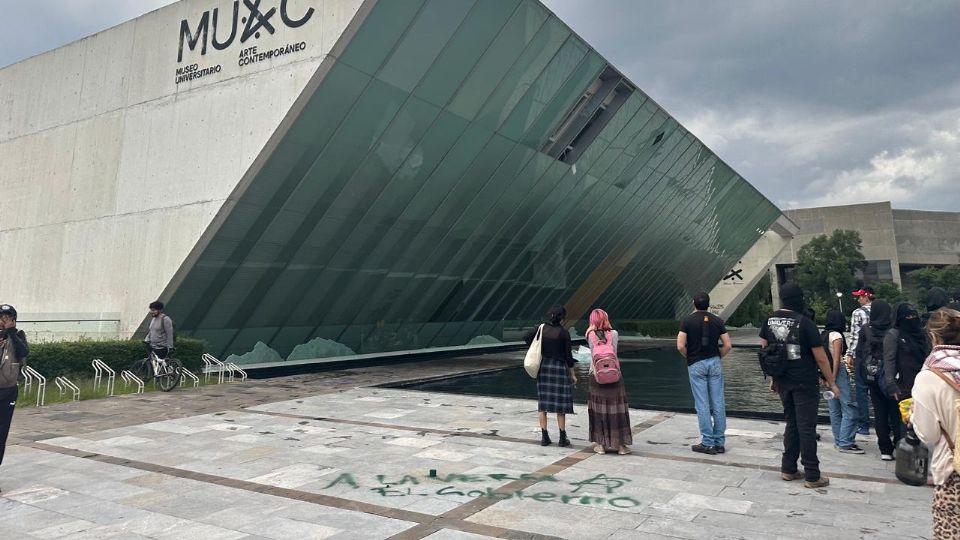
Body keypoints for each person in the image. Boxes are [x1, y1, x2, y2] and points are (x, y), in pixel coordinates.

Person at [760, 283, 839, 488]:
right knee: (806, 426)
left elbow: (766, 350)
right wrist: (831, 382)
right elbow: (821, 357)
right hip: (804, 380)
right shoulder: (805, 322)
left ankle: (788, 468)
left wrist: (773, 377)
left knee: (792, 423)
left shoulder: (769, 320)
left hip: (783, 380)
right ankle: (812, 474)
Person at [910, 308, 960, 538]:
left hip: (953, 472)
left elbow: (928, 435)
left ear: (933, 337)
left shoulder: (930, 376)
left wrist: (913, 415)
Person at [677, 292, 731, 455]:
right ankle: (719, 442)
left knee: (702, 404)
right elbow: (727, 345)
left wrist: (690, 357)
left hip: (696, 363)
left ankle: (707, 443)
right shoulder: (717, 320)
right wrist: (717, 356)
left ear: (694, 303)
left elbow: (680, 345)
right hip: (714, 362)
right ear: (708, 304)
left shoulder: (687, 321)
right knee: (718, 403)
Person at [525, 305, 577, 447]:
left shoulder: (540, 329)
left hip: (544, 367)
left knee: (543, 404)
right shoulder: (563, 333)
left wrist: (537, 347)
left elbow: (526, 337)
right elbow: (568, 356)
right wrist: (572, 374)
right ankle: (562, 438)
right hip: (559, 368)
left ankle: (544, 437)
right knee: (561, 405)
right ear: (562, 318)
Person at [856, 300, 902, 461]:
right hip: (891, 375)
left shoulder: (866, 329)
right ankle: (899, 444)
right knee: (896, 412)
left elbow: (859, 353)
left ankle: (885, 449)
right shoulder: (894, 330)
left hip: (872, 376)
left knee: (879, 412)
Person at [585, 308, 632, 455]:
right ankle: (621, 446)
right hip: (615, 375)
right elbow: (614, 352)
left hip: (596, 375)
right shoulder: (615, 334)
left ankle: (601, 445)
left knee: (599, 410)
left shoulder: (589, 335)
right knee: (617, 410)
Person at [822, 309, 863, 454]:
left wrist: (825, 378)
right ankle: (846, 442)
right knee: (849, 407)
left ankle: (839, 440)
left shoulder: (824, 334)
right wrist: (833, 379)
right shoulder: (837, 336)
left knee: (834, 409)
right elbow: (837, 359)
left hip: (825, 374)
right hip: (836, 374)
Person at [0, 304, 28, 488]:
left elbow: (24, 353)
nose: (4, 320)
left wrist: (11, 333)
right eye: (1, 317)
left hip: (8, 390)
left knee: (1, 435)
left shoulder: (18, 336)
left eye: (8, 317)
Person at [883, 303, 930, 402]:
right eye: (908, 316)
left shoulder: (922, 334)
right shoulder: (894, 335)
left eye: (914, 316)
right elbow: (889, 360)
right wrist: (891, 384)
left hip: (925, 383)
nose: (912, 319)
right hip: (905, 386)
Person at [847, 286, 875, 435]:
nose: (858, 299)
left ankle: (864, 425)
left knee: (861, 390)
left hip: (862, 355)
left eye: (860, 296)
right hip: (878, 356)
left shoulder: (858, 313)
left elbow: (854, 336)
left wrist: (850, 354)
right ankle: (888, 424)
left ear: (866, 297)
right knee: (879, 390)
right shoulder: (883, 311)